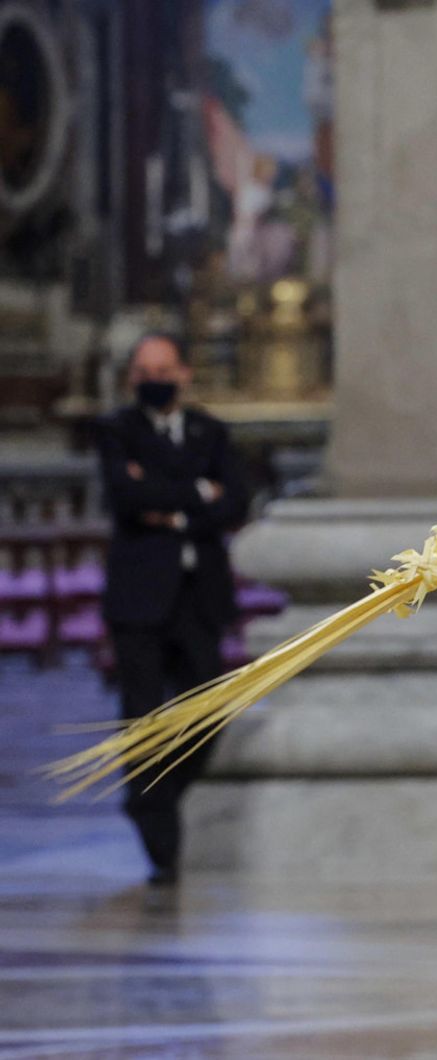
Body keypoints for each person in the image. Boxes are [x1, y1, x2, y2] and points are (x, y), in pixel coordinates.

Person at [96, 333, 249, 886]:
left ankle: (152, 796)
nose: (153, 377)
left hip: (198, 594)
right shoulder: (117, 430)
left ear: (184, 372)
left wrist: (170, 502)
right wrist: (196, 492)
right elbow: (125, 497)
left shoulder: (211, 431)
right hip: (139, 597)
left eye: (163, 367)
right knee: (141, 714)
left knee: (209, 709)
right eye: (143, 369)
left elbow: (238, 498)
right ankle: (160, 836)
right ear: (132, 378)